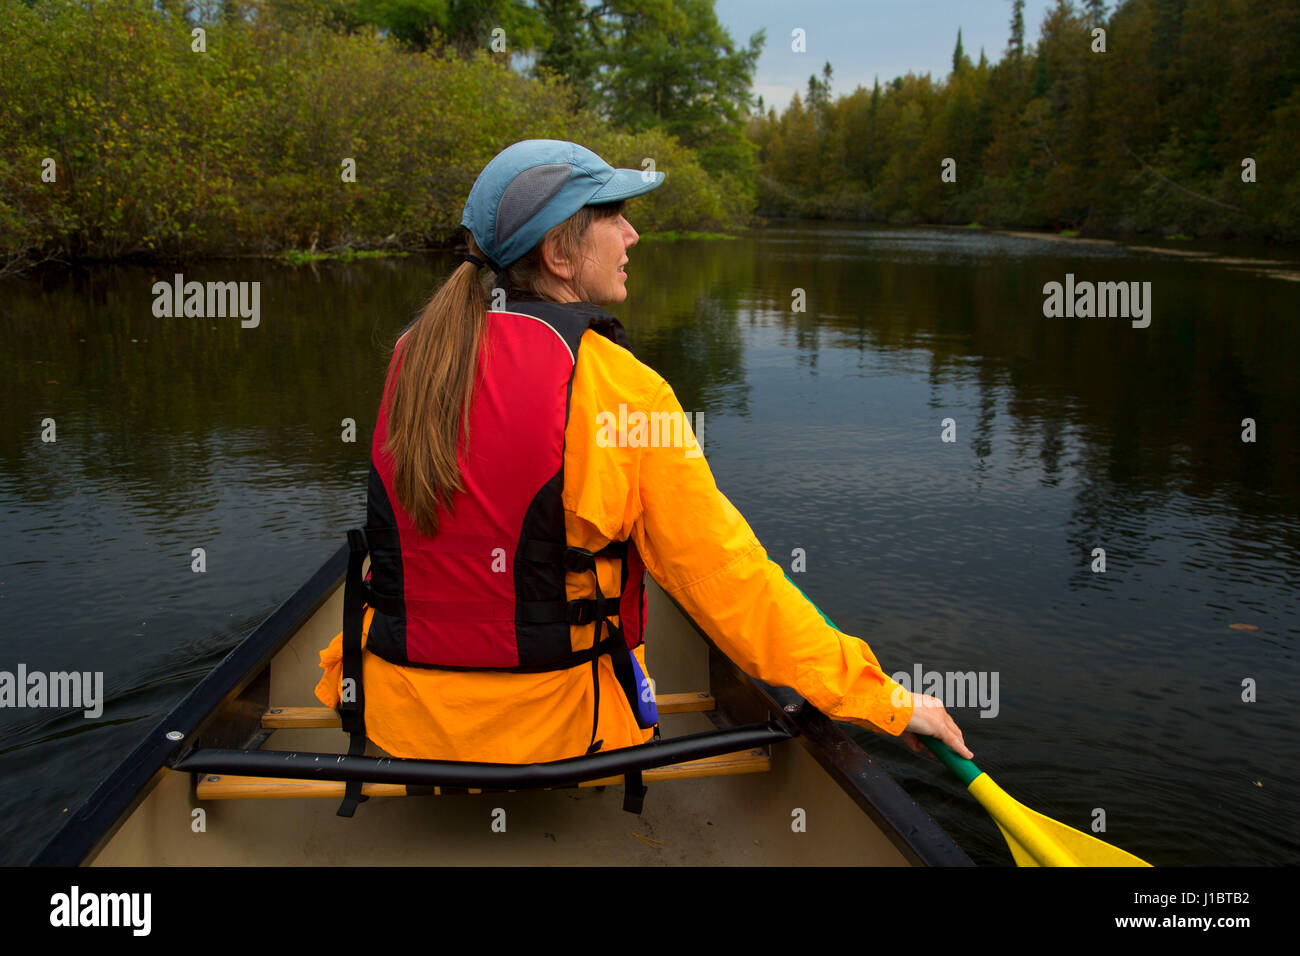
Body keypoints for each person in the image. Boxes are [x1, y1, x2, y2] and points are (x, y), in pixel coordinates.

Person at [315, 139, 972, 770]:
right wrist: (881, 698)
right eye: (614, 217)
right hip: (554, 741)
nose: (632, 236)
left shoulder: (419, 357)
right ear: (560, 255)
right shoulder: (627, 390)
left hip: (398, 720)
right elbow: (725, 580)